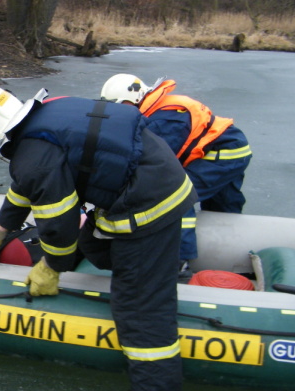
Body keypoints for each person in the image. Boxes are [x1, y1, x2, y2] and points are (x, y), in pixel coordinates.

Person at [0, 85, 197, 391]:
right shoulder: (47, 115)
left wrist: (52, 266)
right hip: (149, 178)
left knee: (137, 301)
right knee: (93, 243)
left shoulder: (32, 155)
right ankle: (149, 267)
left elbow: (58, 225)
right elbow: (26, 187)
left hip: (149, 202)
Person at [100, 74, 252, 275]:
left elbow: (158, 162)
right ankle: (231, 252)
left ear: (135, 98)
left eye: (121, 105)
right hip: (228, 150)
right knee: (223, 206)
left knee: (177, 196)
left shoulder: (165, 117)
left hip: (220, 154)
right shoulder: (158, 109)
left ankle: (178, 260)